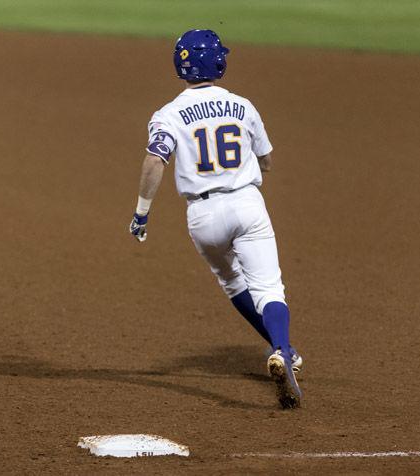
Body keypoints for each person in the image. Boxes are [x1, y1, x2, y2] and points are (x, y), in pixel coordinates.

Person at [128, 29, 302, 409]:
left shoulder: (168, 113)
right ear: (219, 62)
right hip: (245, 204)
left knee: (232, 281)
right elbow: (266, 160)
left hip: (202, 216)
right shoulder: (243, 106)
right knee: (270, 288)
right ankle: (280, 349)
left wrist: (142, 212)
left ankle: (285, 349)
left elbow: (155, 160)